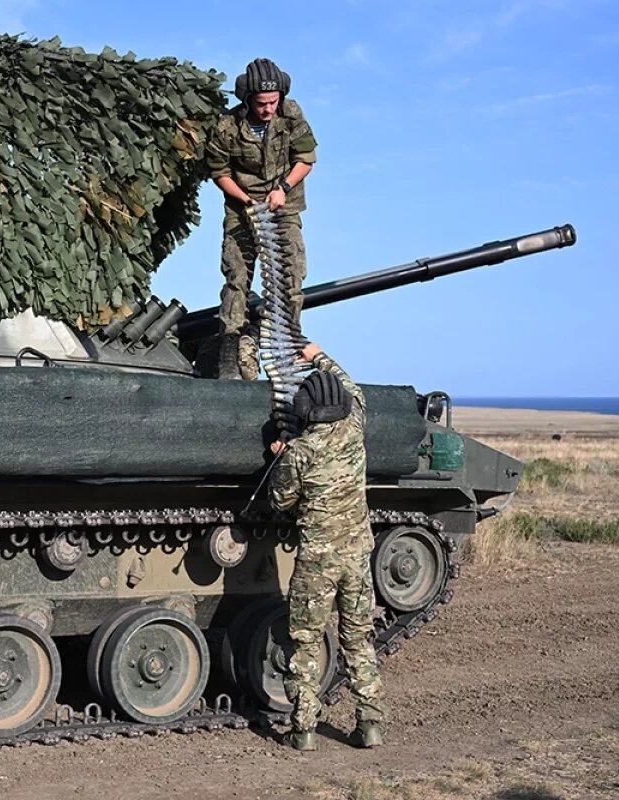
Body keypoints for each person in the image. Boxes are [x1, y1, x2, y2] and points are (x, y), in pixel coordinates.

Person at [268, 343, 386, 751]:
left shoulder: (300, 452)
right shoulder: (355, 431)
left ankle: (303, 730)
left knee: (304, 642)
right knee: (358, 641)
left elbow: (280, 502)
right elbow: (354, 390)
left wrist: (282, 457)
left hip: (316, 562)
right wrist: (319, 356)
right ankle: (370, 724)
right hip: (357, 557)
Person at [205, 58, 318, 380]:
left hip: (283, 206)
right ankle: (230, 351)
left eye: (273, 102)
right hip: (242, 208)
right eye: (261, 104)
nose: (268, 109)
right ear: (247, 99)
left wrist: (282, 189)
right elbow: (219, 171)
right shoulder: (228, 125)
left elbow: (306, 159)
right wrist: (244, 199)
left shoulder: (291, 114)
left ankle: (288, 346)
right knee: (237, 277)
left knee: (290, 278)